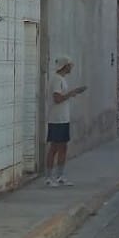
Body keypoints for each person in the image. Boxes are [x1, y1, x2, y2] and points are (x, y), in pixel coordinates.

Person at [46, 56, 86, 186]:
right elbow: (57, 98)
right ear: (64, 66)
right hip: (56, 119)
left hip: (64, 118)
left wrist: (72, 93)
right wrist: (71, 93)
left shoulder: (62, 79)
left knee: (63, 147)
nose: (71, 68)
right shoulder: (56, 79)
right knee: (54, 147)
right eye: (69, 65)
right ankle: (49, 177)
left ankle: (60, 175)